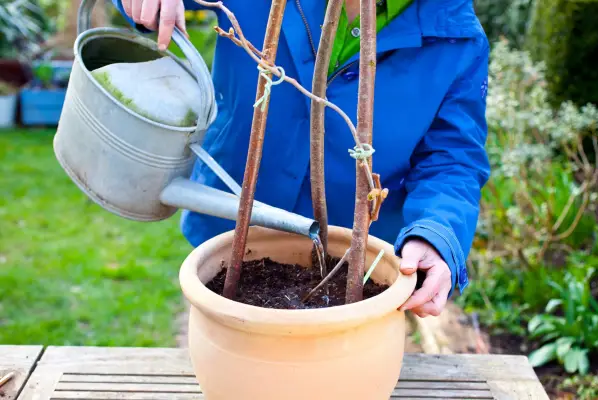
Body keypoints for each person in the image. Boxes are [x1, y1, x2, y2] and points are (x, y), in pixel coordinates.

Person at [112, 0, 490, 318]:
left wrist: (437, 233)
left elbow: (453, 159)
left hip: (354, 265)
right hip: (228, 227)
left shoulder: (456, 37)